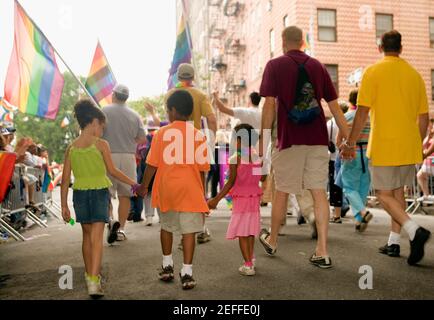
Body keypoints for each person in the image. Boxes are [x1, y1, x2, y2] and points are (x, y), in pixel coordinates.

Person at [259, 26, 349, 269]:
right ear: (302, 42)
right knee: (319, 193)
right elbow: (335, 107)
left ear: (282, 41)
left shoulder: (274, 65)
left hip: (289, 140)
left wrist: (263, 141)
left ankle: (273, 239)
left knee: (282, 192)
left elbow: (268, 106)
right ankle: (322, 250)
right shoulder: (318, 66)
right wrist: (348, 141)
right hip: (318, 139)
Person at [342, 30, 431, 264]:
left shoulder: (373, 72)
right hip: (408, 145)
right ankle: (393, 242)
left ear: (380, 48)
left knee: (383, 194)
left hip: (384, 144)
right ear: (401, 48)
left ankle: (414, 230)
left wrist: (350, 142)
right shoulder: (415, 75)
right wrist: (419, 145)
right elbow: (424, 117)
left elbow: (361, 112)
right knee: (397, 193)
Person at [60, 99, 137, 298]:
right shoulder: (101, 144)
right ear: (94, 122)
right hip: (99, 193)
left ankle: (90, 276)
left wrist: (64, 207)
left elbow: (66, 179)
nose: (102, 131)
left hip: (80, 195)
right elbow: (113, 171)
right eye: (102, 127)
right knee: (97, 239)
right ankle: (94, 282)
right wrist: (134, 184)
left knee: (86, 237)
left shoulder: (71, 148)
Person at [137, 90, 210, 290]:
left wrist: (144, 186)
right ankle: (187, 273)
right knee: (189, 232)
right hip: (191, 190)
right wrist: (202, 196)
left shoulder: (161, 133)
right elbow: (203, 169)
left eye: (168, 110)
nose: (167, 113)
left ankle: (167, 265)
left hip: (167, 188)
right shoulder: (198, 135)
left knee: (167, 227)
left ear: (174, 110)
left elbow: (151, 164)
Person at [166, 63, 217, 244]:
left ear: (178, 77)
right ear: (193, 76)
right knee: (199, 187)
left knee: (177, 185)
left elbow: (169, 121)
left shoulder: (170, 95)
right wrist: (212, 140)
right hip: (196, 142)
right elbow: (211, 119)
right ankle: (200, 229)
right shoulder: (201, 95)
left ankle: (180, 229)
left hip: (175, 145)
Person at [208, 124, 265, 276]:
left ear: (239, 141)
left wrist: (215, 199)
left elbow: (230, 182)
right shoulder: (256, 157)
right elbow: (262, 177)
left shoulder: (235, 159)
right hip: (254, 200)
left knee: (242, 233)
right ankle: (251, 258)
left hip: (241, 201)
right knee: (251, 231)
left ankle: (247, 265)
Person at [102, 84, 147, 243]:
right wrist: (130, 142)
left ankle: (110, 220)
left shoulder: (103, 111)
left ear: (113, 95)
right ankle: (121, 229)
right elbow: (142, 138)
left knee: (105, 192)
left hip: (107, 155)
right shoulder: (134, 115)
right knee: (125, 194)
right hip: (128, 156)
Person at [337, 89, 373, 232]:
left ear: (351, 101)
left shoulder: (346, 116)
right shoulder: (369, 118)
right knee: (362, 187)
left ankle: (363, 213)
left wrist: (341, 148)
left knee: (349, 187)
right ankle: (359, 222)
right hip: (367, 154)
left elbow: (338, 139)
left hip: (351, 153)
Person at [416, 121, 434, 201]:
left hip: (430, 161)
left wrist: (425, 154)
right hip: (428, 163)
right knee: (420, 175)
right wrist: (429, 137)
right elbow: (423, 145)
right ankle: (427, 195)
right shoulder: (430, 136)